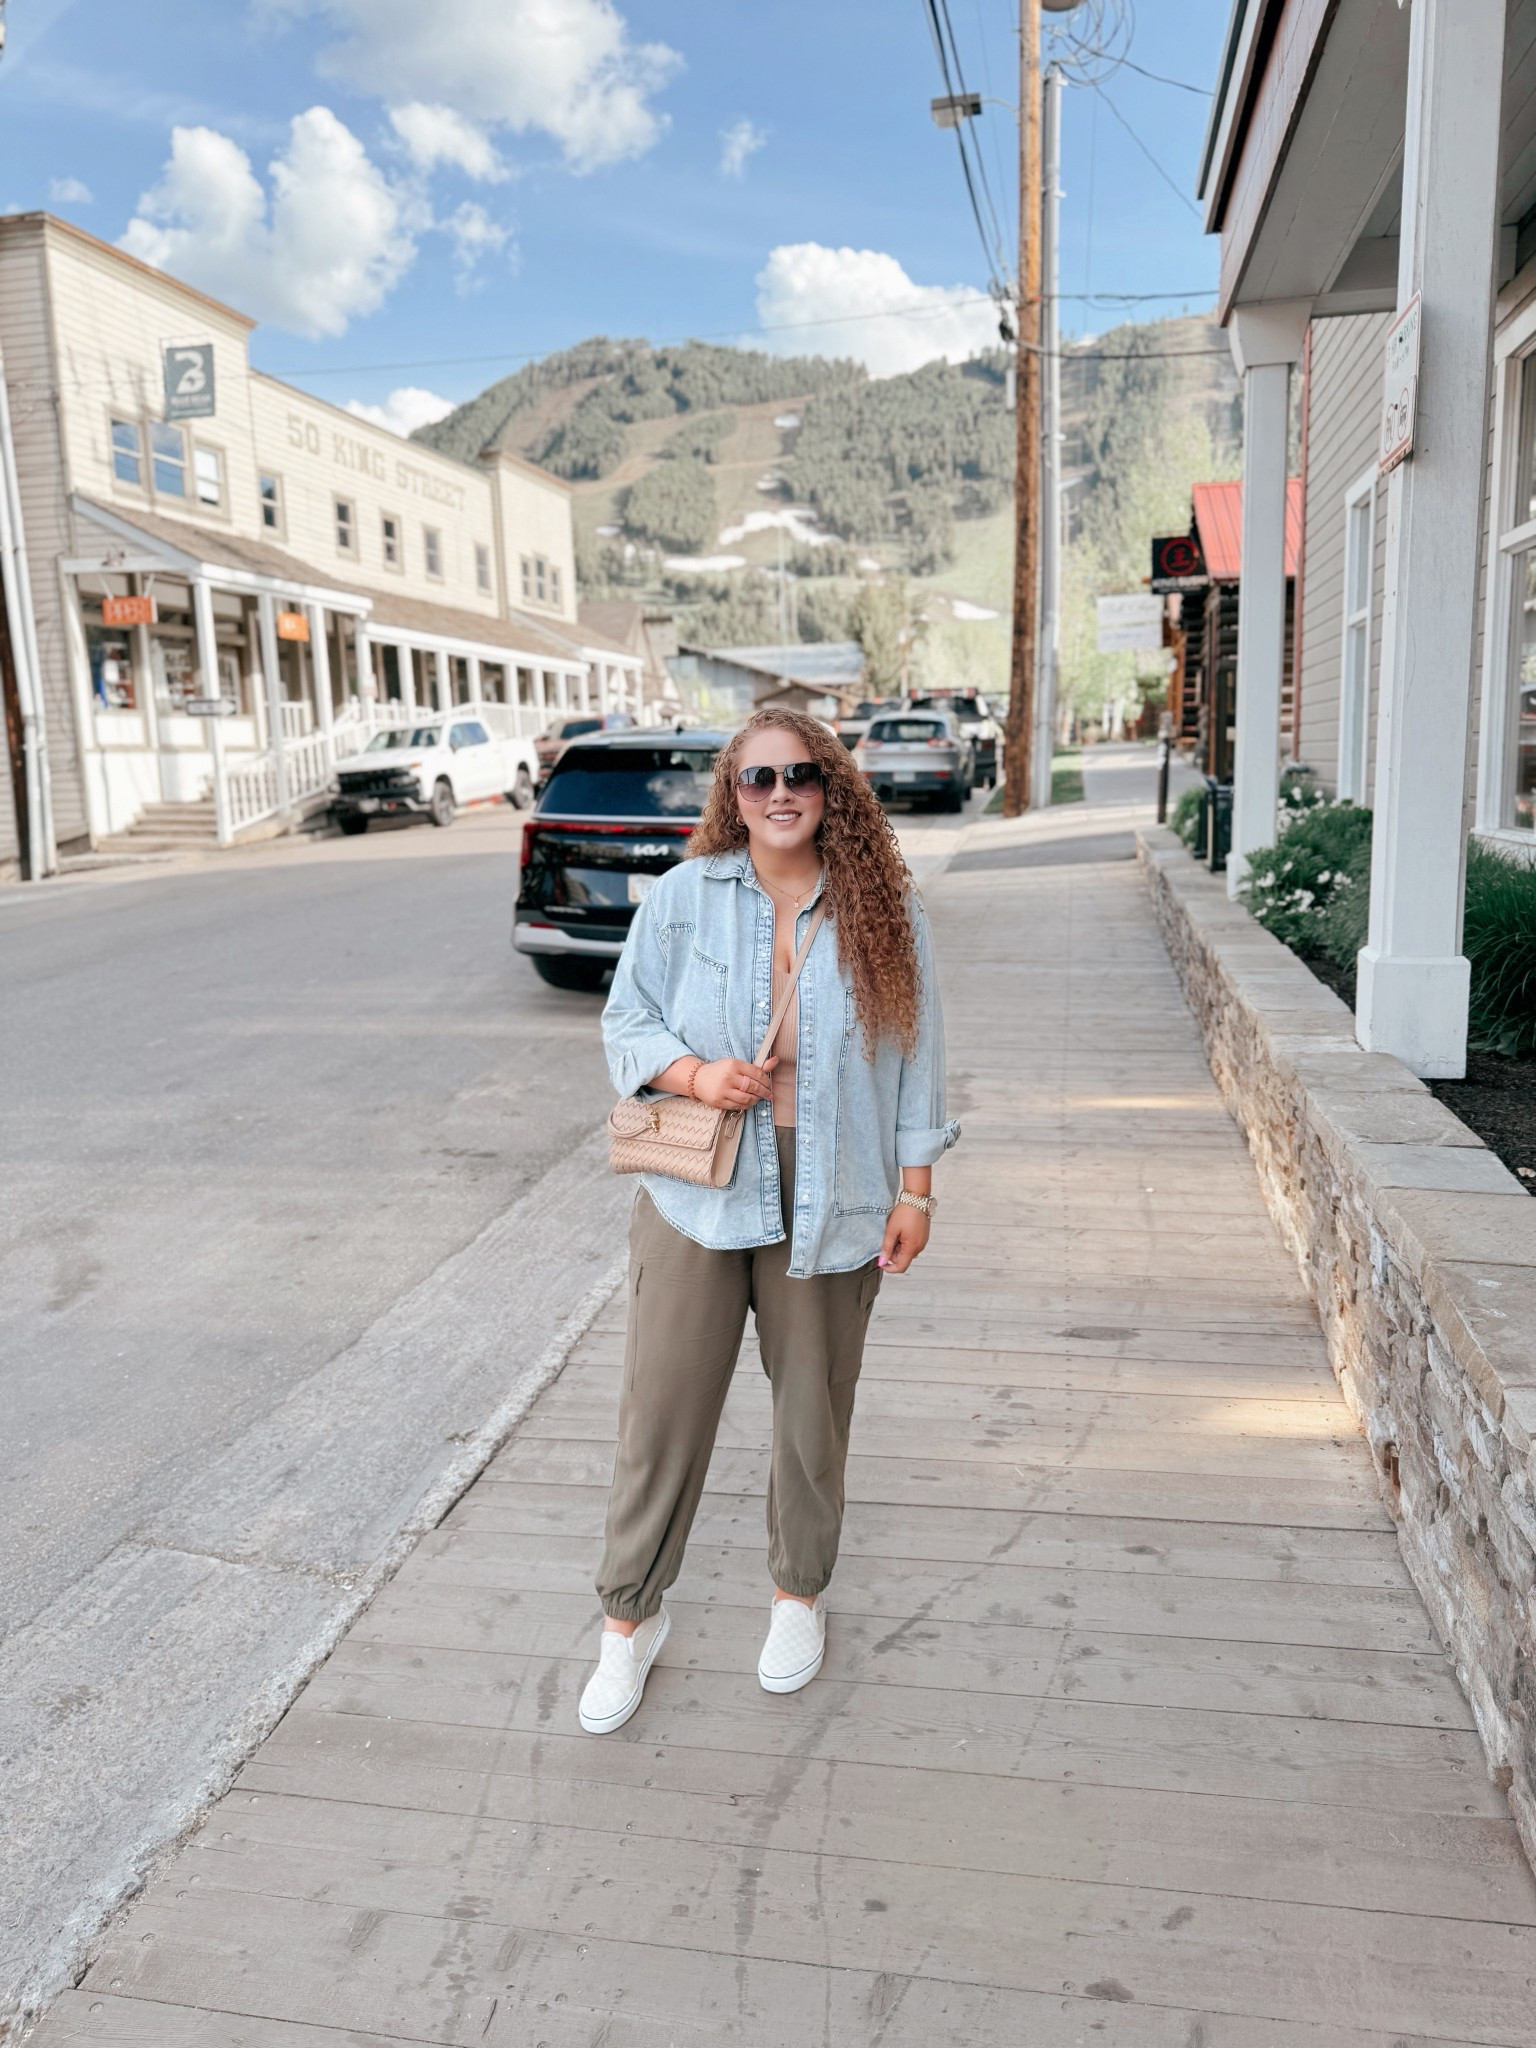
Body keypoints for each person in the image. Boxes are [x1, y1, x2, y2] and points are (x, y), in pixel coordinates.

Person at [578, 706, 958, 1735]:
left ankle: (798, 1596)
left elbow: (917, 1061)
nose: (780, 792)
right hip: (699, 1187)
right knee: (661, 1412)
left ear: (830, 785)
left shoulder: (887, 909)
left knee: (811, 1413)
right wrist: (697, 1070)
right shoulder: (683, 898)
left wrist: (916, 1190)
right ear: (732, 796)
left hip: (835, 1187)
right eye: (758, 779)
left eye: (799, 774)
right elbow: (628, 1022)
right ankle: (629, 1620)